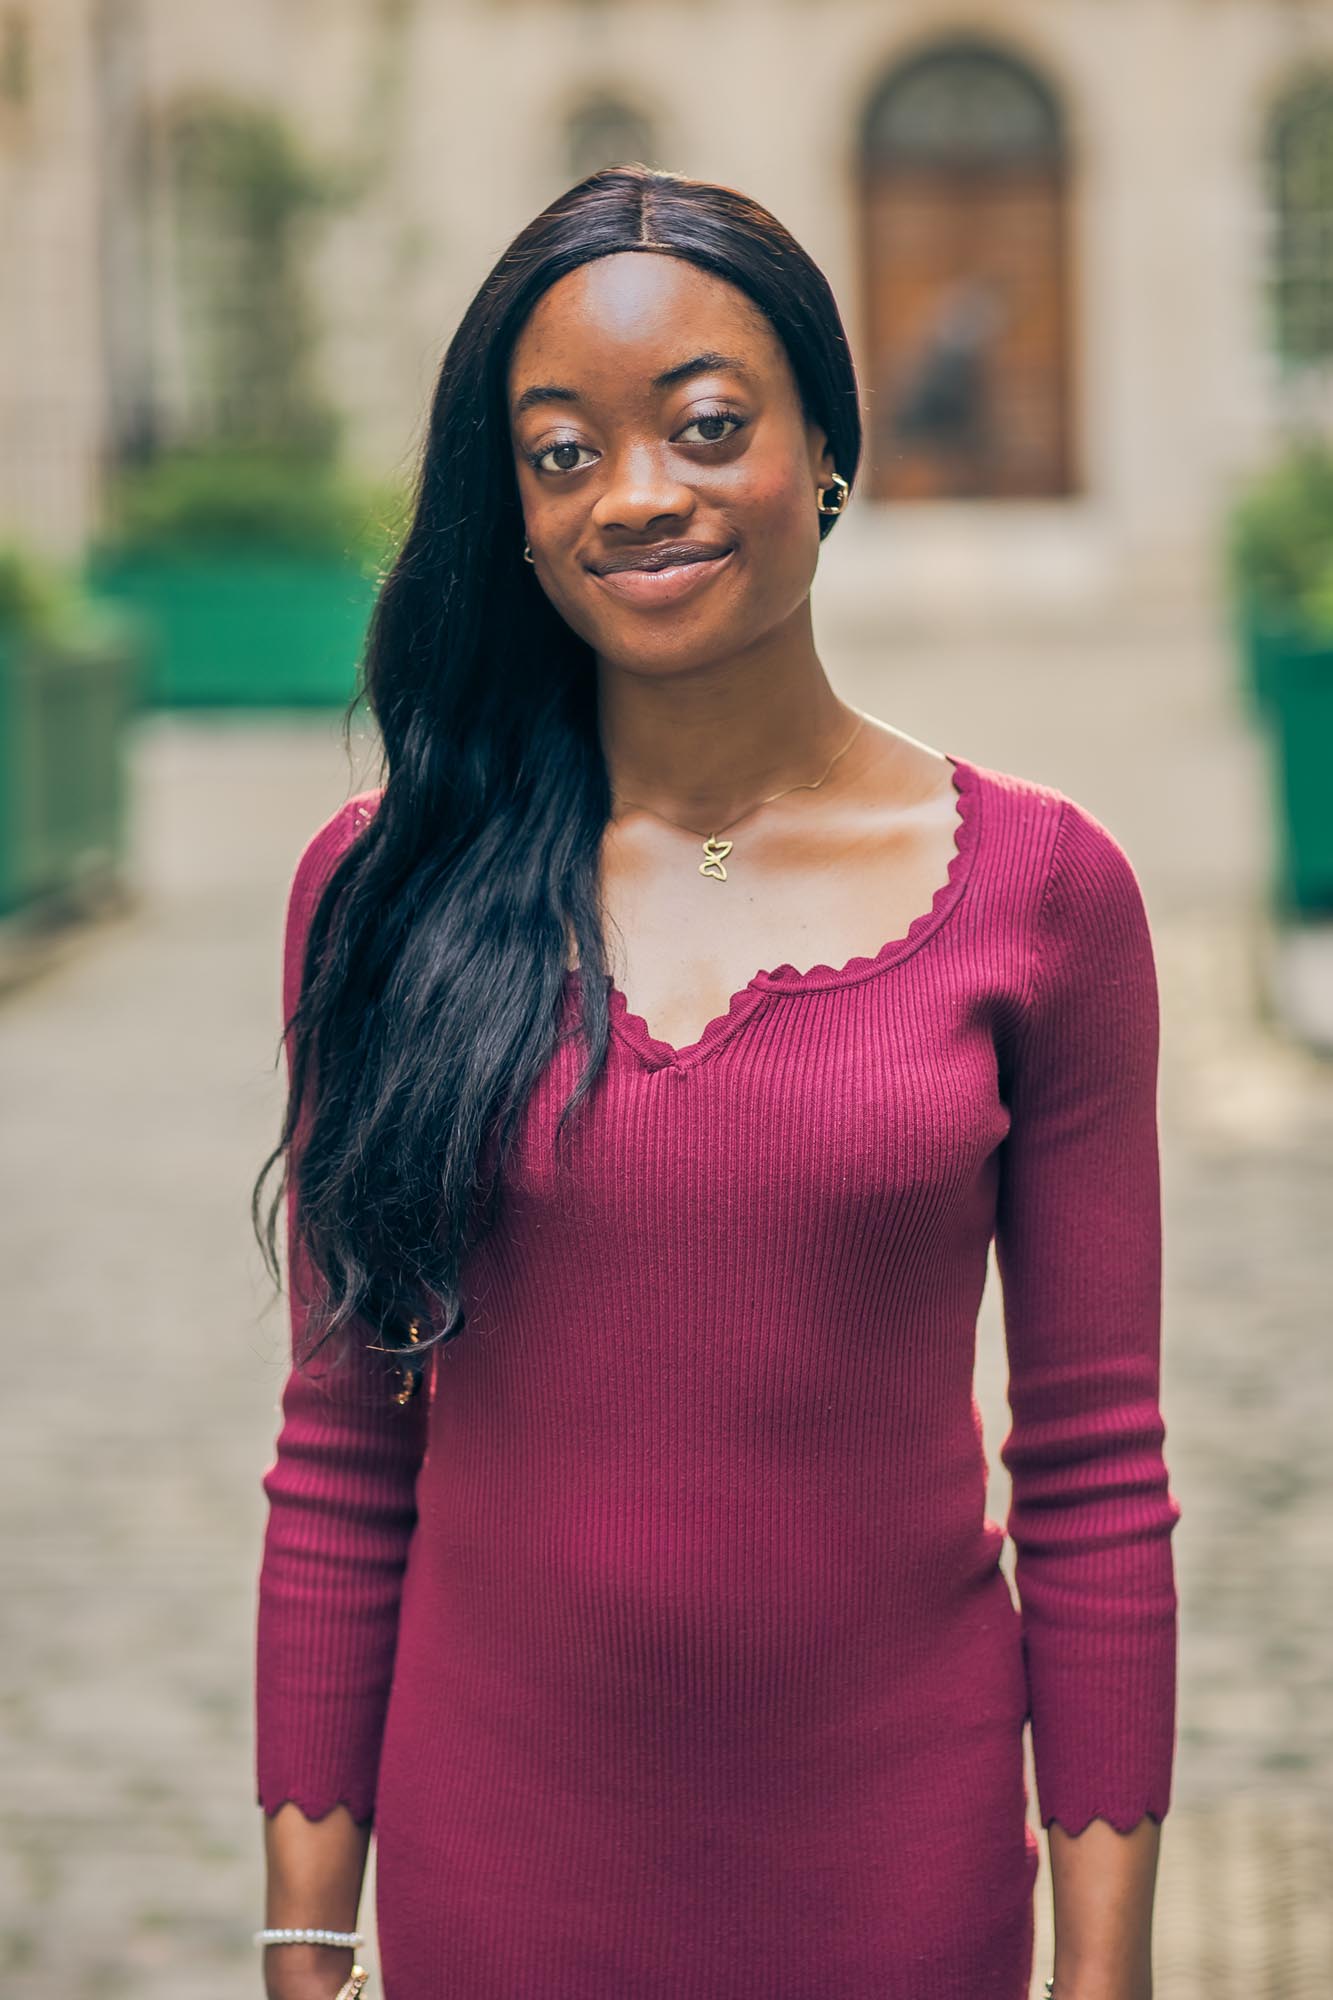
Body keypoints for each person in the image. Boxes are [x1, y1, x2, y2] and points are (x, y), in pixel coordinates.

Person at [250, 164, 1181, 2000]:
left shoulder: (1041, 898)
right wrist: (302, 1942)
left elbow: (1091, 1479)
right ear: (507, 511)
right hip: (497, 1883)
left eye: (703, 426)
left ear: (825, 448)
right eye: (560, 453)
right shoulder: (384, 887)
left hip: (894, 1878)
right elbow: (346, 1457)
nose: (638, 495)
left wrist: (1103, 1977)